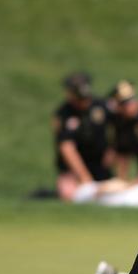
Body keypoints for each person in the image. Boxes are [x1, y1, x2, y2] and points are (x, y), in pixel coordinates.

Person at [53, 71, 114, 199]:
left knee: (110, 195)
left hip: (100, 166)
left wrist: (112, 150)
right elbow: (66, 147)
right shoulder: (63, 113)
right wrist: (84, 177)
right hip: (73, 170)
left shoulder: (102, 106)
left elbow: (118, 129)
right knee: (69, 194)